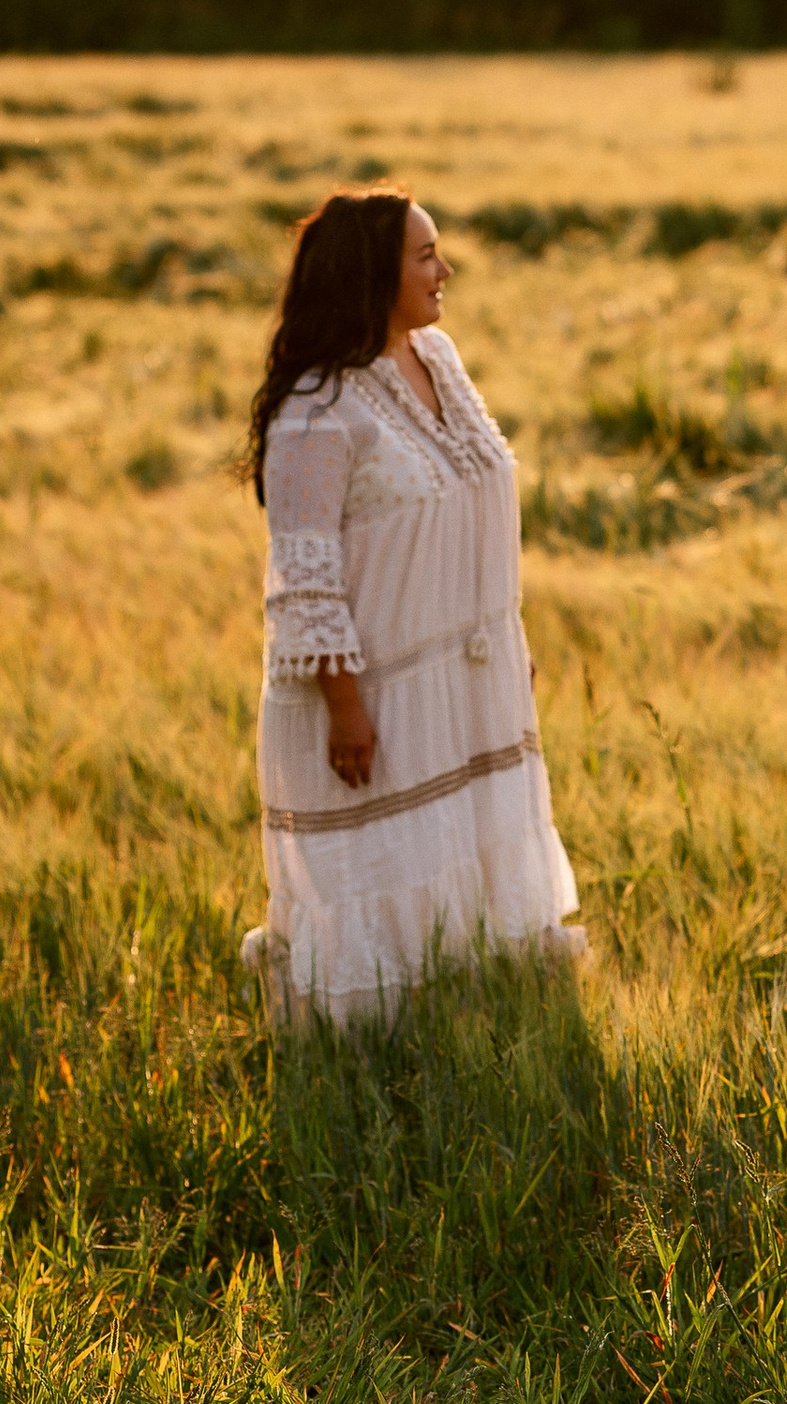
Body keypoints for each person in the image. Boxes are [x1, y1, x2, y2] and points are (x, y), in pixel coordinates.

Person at [241, 185, 581, 1024]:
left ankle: (478, 1035)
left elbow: (473, 500)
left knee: (470, 865)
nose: (445, 271)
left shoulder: (439, 358)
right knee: (390, 876)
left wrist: (503, 638)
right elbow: (306, 577)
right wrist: (346, 710)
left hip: (470, 672)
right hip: (376, 695)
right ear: (371, 274)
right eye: (426, 256)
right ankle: (374, 1065)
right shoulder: (314, 412)